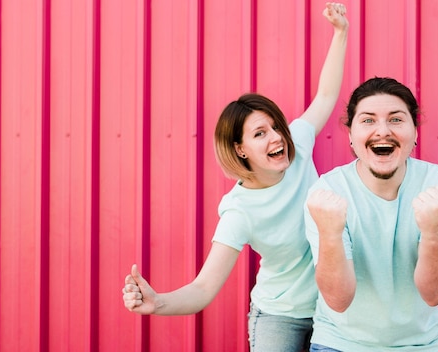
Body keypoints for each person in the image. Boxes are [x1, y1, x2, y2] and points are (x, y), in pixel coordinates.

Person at [121, 3, 348, 351]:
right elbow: (203, 289)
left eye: (275, 126)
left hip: (333, 311)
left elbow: (327, 95)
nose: (276, 137)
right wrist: (158, 303)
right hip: (278, 316)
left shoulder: (298, 144)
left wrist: (340, 33)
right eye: (259, 134)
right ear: (240, 149)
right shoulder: (239, 211)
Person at [303, 77, 438, 352]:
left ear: (415, 133)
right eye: (368, 120)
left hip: (425, 344)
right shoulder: (328, 192)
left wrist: (434, 231)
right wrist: (330, 234)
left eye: (396, 119)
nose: (382, 131)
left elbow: (435, 294)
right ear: (351, 136)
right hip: (341, 343)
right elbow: (338, 300)